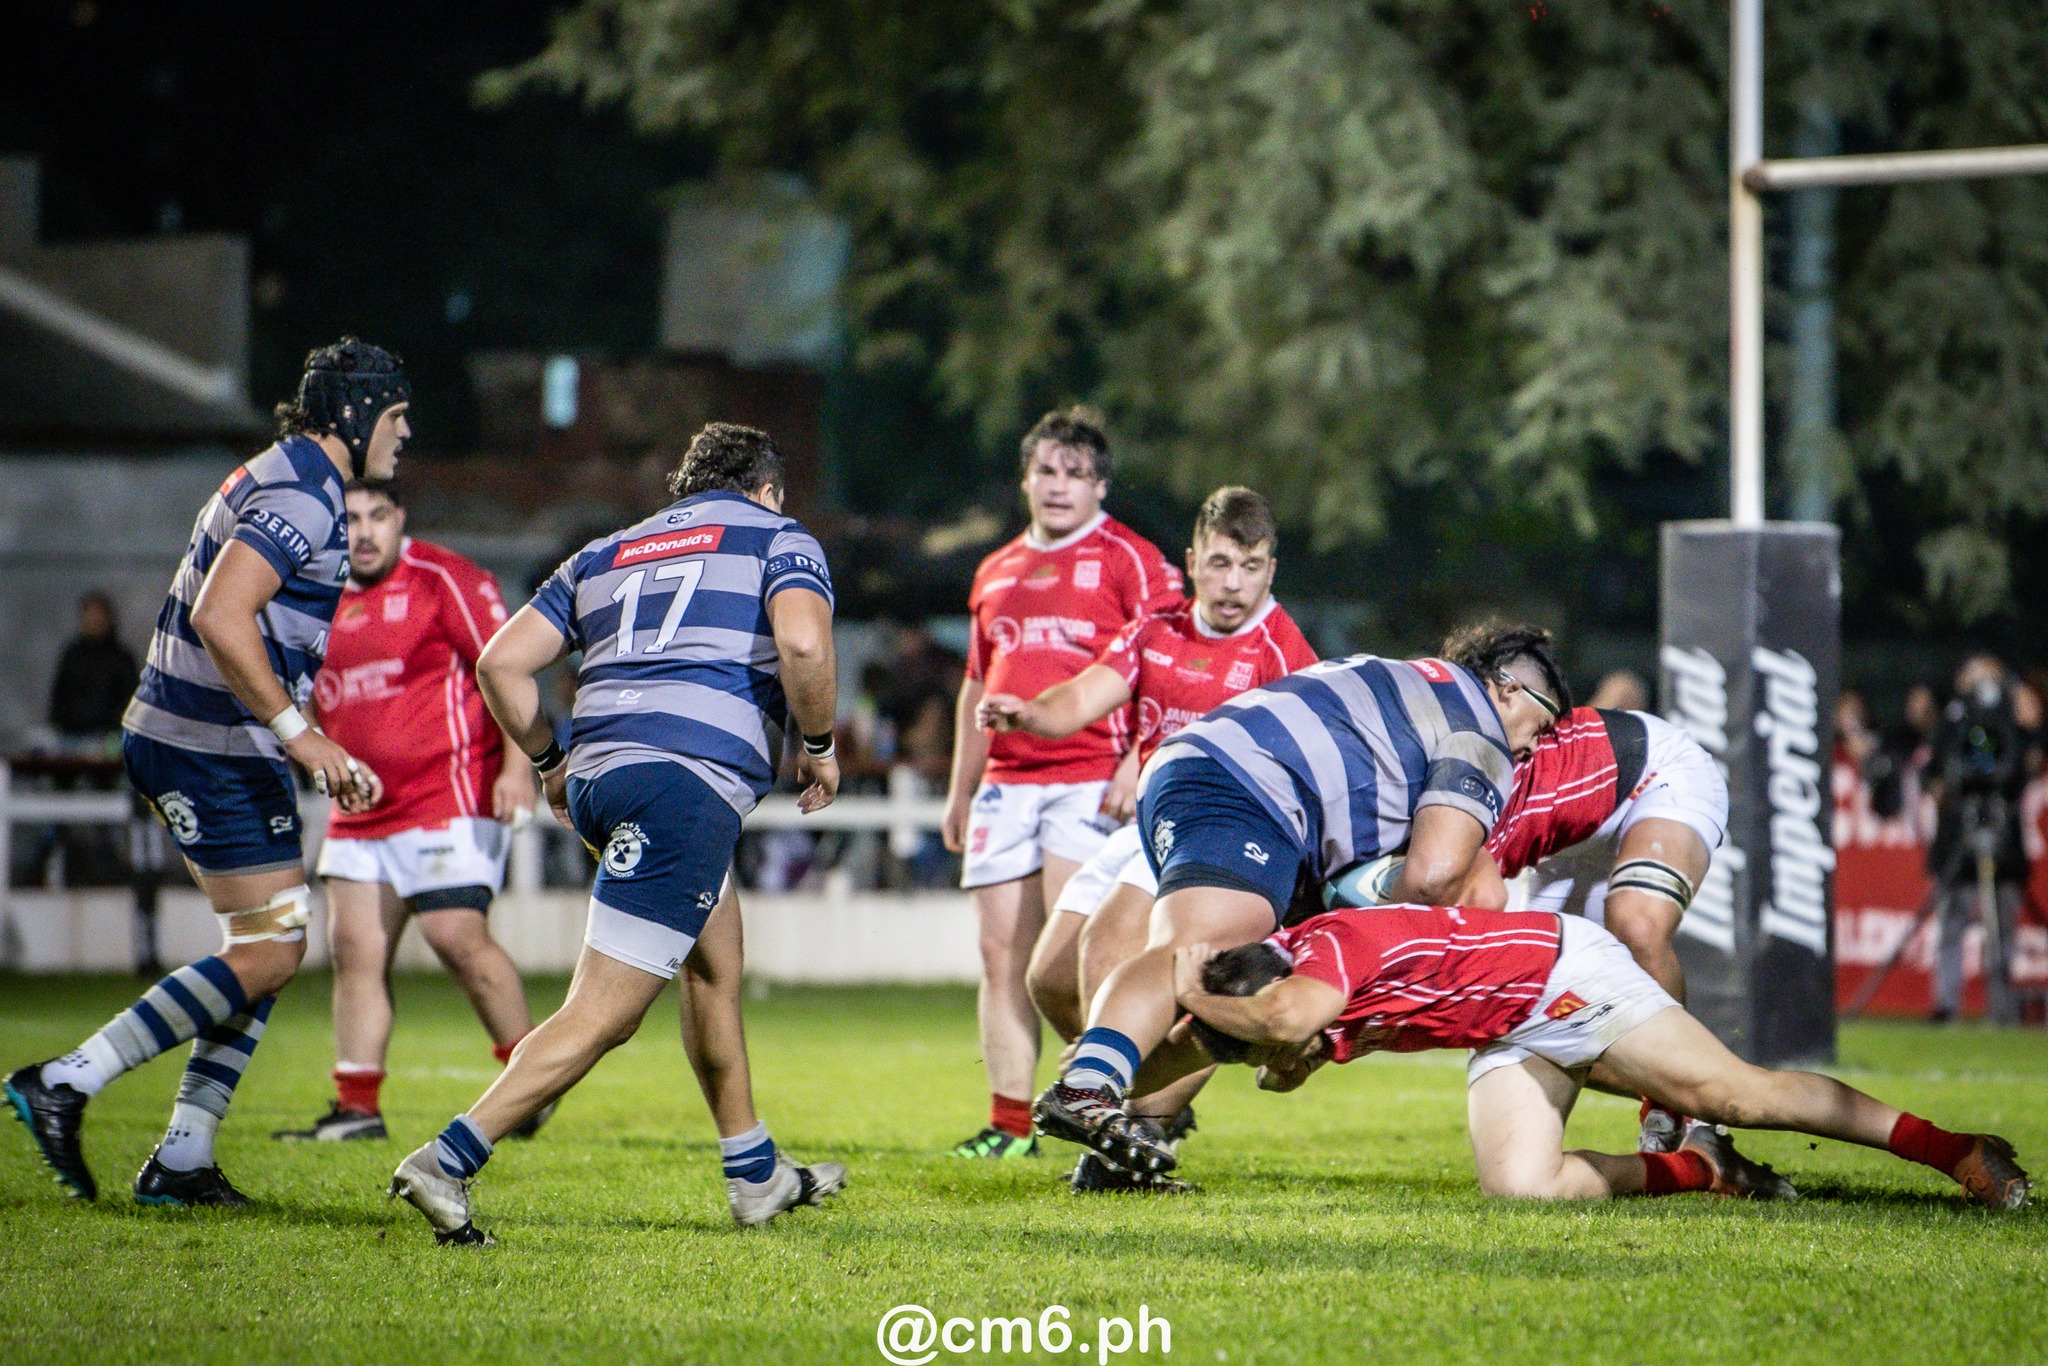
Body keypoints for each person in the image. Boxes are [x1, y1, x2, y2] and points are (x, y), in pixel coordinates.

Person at [388, 422, 848, 1243]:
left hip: (605, 776)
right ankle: (448, 1160)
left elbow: (501, 662)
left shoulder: (606, 550)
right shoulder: (778, 535)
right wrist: (817, 747)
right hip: (683, 785)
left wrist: (549, 763)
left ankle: (754, 1173)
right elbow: (805, 642)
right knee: (607, 1010)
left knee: (714, 966)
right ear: (767, 489)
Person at [5, 338, 409, 1206]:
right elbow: (221, 613)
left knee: (267, 946)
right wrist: (301, 735)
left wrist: (301, 731)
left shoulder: (290, 473)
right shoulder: (304, 492)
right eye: (399, 415)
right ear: (357, 411)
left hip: (206, 735)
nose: (405, 434)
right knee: (272, 952)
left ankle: (184, 1156)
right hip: (207, 739)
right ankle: (68, 1081)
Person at [1033, 621, 1564, 1174]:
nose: (1533, 746)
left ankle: (1121, 1146)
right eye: (1541, 722)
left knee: (1228, 979)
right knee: (1189, 952)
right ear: (1507, 688)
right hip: (1248, 788)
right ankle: (1086, 1087)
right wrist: (1362, 937)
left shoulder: (1412, 681)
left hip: (1220, 777)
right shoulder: (1478, 725)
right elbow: (1433, 877)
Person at [1161, 905, 2030, 1209]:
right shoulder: (1291, 979)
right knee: (1520, 1189)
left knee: (1738, 1092)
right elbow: (1283, 1036)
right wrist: (1099, 1076)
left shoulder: (1322, 962)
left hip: (1558, 977)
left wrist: (1189, 986)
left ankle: (1955, 1151)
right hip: (1510, 1025)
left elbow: (1286, 1022)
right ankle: (1701, 1173)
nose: (1289, 1053)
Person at [977, 485, 1316, 1187]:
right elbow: (1080, 696)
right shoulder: (1157, 627)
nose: (1233, 584)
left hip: (1213, 833)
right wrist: (1029, 714)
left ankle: (1134, 1140)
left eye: (1250, 567)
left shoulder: (1282, 652)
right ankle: (1135, 1106)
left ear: (1271, 570)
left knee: (1107, 956)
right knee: (1047, 978)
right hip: (1145, 825)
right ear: (1192, 560)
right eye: (1220, 564)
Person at [942, 407, 1182, 1159]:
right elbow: (978, 681)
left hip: (1087, 777)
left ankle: (1125, 1099)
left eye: (1075, 475)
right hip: (1006, 783)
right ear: (1026, 479)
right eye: (1046, 470)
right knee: (997, 958)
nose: (1058, 486)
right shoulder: (997, 568)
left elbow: (1165, 660)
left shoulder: (1131, 559)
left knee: (1072, 957)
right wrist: (959, 786)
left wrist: (1135, 758)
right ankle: (1011, 1126)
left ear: (1100, 487)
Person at [271, 479, 540, 1142]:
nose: (363, 532)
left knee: (455, 935)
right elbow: (305, 695)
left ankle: (533, 1081)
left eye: (377, 516)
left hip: (447, 794)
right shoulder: (314, 597)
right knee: (354, 949)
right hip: (360, 811)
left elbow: (505, 668)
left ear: (400, 520)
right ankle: (357, 1107)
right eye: (351, 519)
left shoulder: (444, 579)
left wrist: (517, 767)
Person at [1463, 699, 1733, 1153]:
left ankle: (1676, 1103)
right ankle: (1696, 1090)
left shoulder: (1480, 775)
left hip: (1653, 777)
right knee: (1519, 1012)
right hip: (1562, 839)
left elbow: (1467, 901)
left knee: (1637, 924)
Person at [1927, 656, 2031, 1024]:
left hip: (2003, 837)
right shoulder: (1954, 721)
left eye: (1990, 675)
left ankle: (2001, 1009)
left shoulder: (2013, 719)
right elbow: (1936, 771)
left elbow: (2024, 759)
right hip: (1958, 834)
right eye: (1973, 674)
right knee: (1951, 923)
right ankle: (1945, 1005)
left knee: (2001, 928)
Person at [47, 592, 139, 750]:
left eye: (98, 614)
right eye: (90, 614)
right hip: (70, 737)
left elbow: (130, 703)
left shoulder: (121, 658)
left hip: (108, 738)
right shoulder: (72, 656)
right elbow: (59, 697)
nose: (94, 620)